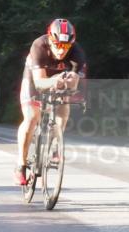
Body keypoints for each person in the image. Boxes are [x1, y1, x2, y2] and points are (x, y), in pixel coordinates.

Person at [15, 19, 87, 186]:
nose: (61, 50)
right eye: (58, 45)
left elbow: (74, 85)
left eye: (66, 46)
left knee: (64, 101)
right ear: (50, 40)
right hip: (36, 77)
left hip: (58, 77)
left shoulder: (78, 53)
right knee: (32, 118)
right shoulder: (39, 46)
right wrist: (55, 80)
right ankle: (21, 164)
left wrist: (70, 84)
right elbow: (39, 83)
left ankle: (55, 143)